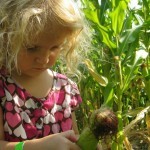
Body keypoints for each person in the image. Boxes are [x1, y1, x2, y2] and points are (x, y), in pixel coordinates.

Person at [0, 0, 91, 149]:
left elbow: (73, 137)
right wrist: (37, 147)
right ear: (5, 39)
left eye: (54, 47)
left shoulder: (66, 88)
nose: (44, 58)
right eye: (32, 48)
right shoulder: (3, 88)